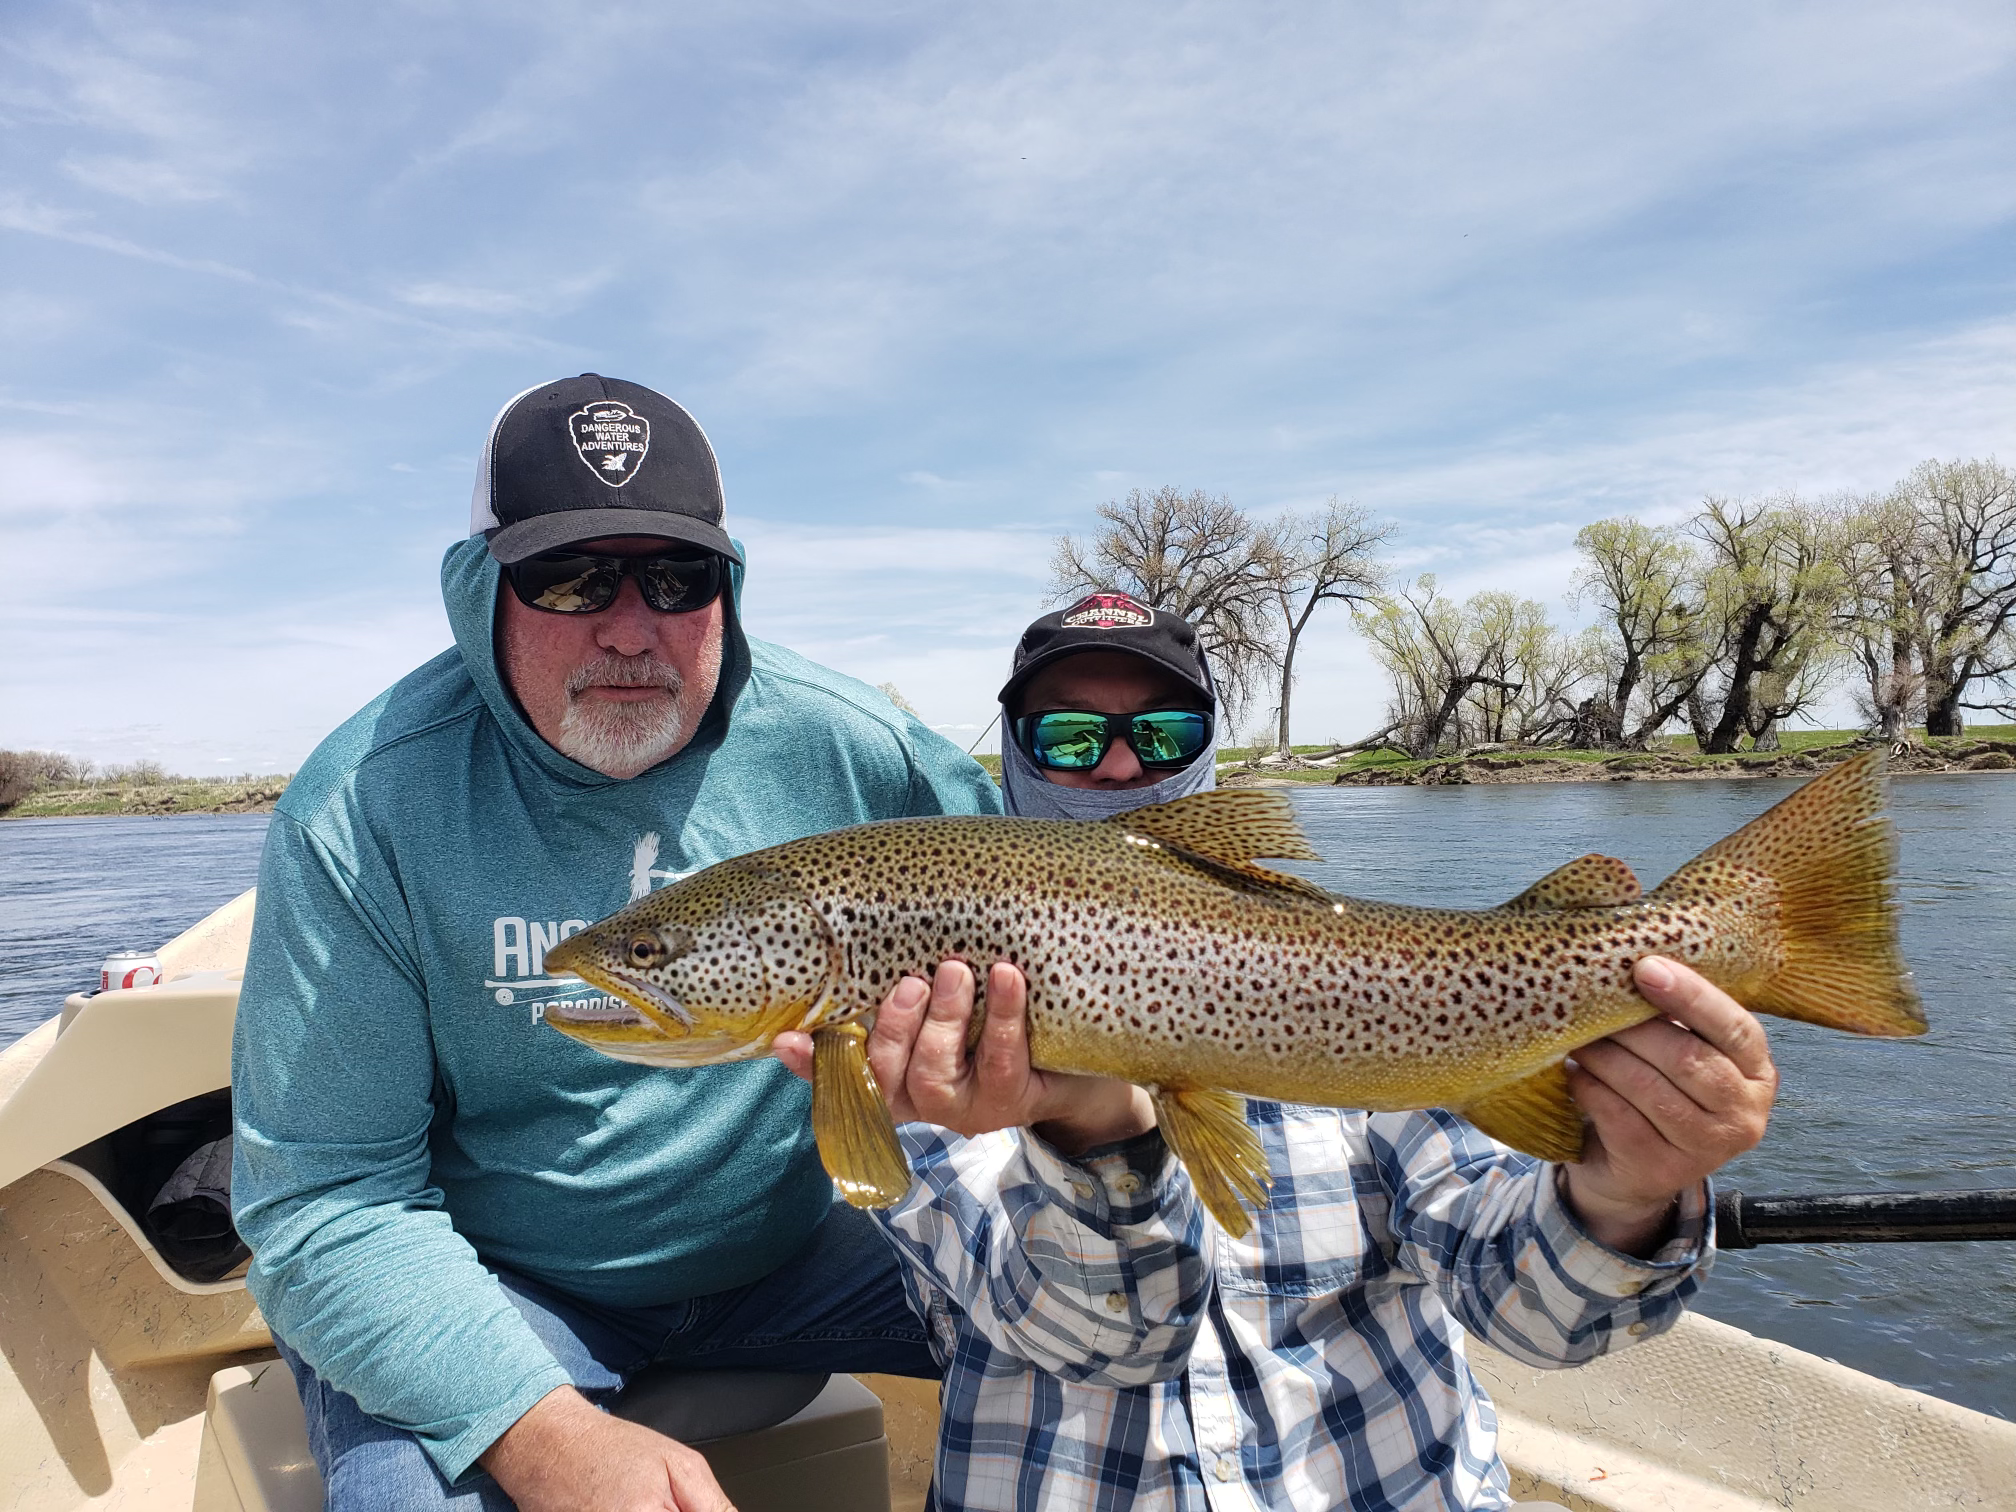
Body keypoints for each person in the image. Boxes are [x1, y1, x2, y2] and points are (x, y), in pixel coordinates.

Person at [776, 591, 1776, 1512]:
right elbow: (1111, 1341)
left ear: (1210, 754)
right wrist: (1092, 1126)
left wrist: (1628, 1195)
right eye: (1071, 736)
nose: (1121, 766)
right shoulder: (925, 1037)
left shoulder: (1348, 976)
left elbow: (1540, 1320)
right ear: (1017, 757)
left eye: (1163, 735)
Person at [231, 375, 1002, 1511]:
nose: (631, 628)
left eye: (677, 577)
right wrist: (546, 1443)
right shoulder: (363, 808)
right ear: (479, 588)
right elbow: (325, 1198)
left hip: (810, 1251)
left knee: (1124, 1316)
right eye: (573, 576)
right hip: (508, 1286)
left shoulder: (861, 753)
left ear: (727, 590)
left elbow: (1057, 912)